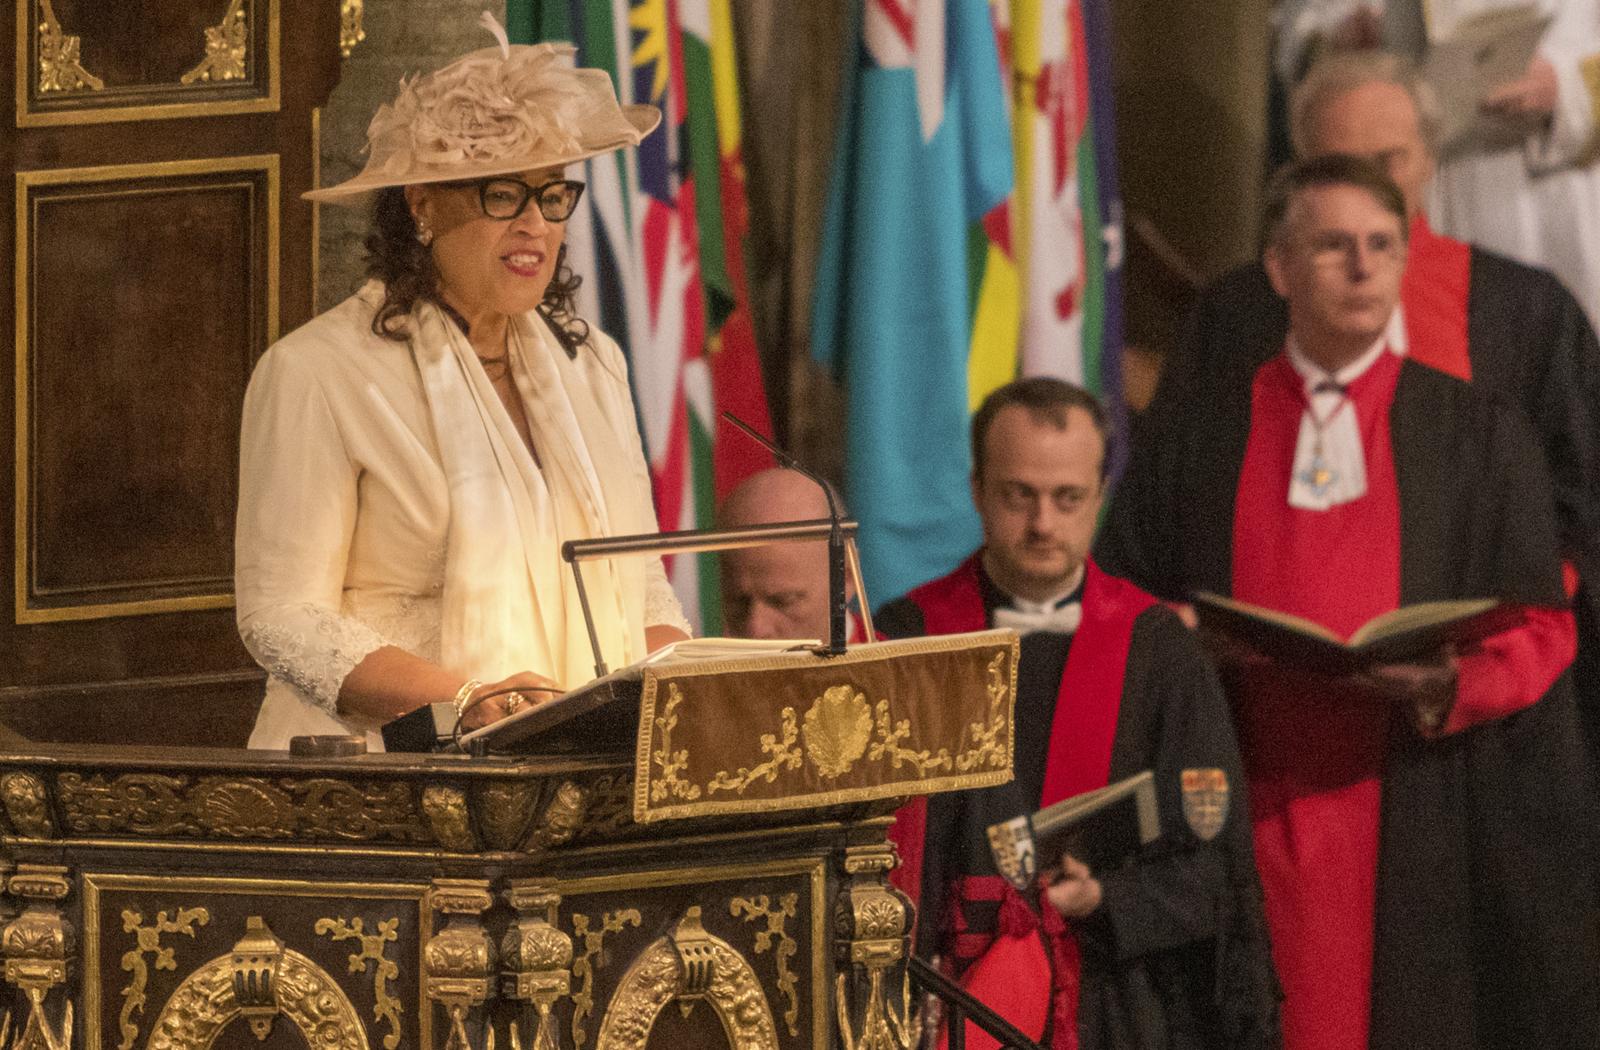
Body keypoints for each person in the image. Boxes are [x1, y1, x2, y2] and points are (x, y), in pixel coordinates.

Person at [1097, 155, 1598, 1050]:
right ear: (1279, 270)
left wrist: (1449, 681)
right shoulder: (1203, 428)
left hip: (1417, 804)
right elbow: (1117, 597)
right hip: (1242, 788)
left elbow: (1545, 626)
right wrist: (1180, 641)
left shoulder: (1480, 432)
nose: (1365, 267)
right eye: (1334, 246)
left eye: (1381, 245)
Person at [235, 18, 691, 750]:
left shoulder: (593, 363)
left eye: (552, 197)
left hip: (572, 775)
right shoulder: (316, 372)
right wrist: (472, 698)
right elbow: (281, 617)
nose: (536, 227)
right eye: (502, 195)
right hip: (374, 776)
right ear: (422, 205)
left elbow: (639, 590)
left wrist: (683, 693)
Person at [1183, 49, 1600, 757]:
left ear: (1431, 159)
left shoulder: (1521, 314)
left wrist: (1492, 652)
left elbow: (1578, 511)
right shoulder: (1236, 316)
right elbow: (1178, 516)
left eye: (1391, 159)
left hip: (1474, 729)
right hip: (1269, 717)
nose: (1371, 187)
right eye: (1342, 166)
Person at [875, 379, 1281, 1050]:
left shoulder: (1160, 652)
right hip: (946, 1000)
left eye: (1067, 499)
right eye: (1018, 496)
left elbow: (1216, 872)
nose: (1042, 525)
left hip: (1115, 1005)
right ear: (977, 492)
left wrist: (1102, 900)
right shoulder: (912, 636)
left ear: (1099, 496)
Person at [1273, 0, 1600, 328]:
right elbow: (1301, 26)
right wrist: (1340, 36)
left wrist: (1567, 87)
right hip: (1399, 163)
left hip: (1544, 187)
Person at [716, 467, 848, 641]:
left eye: (783, 601)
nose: (756, 630)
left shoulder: (893, 668)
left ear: (846, 579)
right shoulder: (697, 666)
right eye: (738, 602)